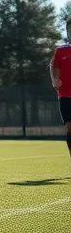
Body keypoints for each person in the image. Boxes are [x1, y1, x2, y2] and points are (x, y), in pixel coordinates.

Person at [52, 17, 71, 164]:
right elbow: (53, 67)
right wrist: (54, 79)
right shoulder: (61, 50)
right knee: (69, 128)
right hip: (65, 95)